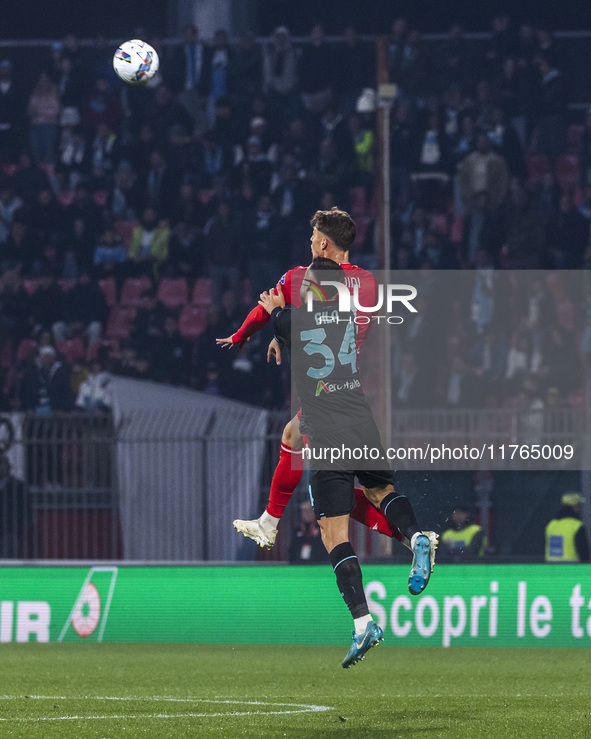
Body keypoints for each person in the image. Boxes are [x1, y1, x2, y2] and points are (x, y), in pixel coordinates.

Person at [223, 208, 437, 563]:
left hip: (323, 397)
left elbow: (267, 309)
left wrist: (243, 334)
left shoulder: (299, 277)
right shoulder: (368, 283)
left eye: (312, 239)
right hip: (350, 392)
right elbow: (325, 321)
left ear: (323, 242)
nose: (309, 244)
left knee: (330, 506)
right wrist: (286, 333)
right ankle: (413, 535)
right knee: (361, 483)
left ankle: (406, 539)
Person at [259, 257, 433, 667]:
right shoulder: (351, 316)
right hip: (360, 416)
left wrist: (272, 314)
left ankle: (363, 624)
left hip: (325, 428)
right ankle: (415, 536)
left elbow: (284, 320)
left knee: (332, 532)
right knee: (380, 490)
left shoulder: (298, 320)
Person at [545, 492, 589, 563]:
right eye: (579, 505)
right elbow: (584, 553)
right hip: (571, 570)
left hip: (551, 569)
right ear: (575, 506)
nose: (580, 508)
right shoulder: (577, 526)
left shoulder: (551, 525)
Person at [0, 454, 30, 558]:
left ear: (8, 467)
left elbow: (25, 509)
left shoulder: (18, 486)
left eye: (2, 464)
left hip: (10, 531)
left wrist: (19, 527)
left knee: (8, 560)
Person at [288, 500, 328, 564]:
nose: (307, 514)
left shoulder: (321, 528)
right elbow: (292, 550)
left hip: (317, 564)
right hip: (299, 564)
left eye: (309, 511)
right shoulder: (297, 530)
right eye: (304, 511)